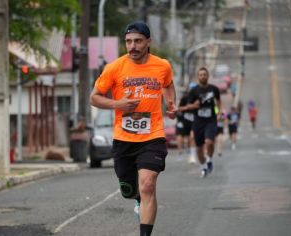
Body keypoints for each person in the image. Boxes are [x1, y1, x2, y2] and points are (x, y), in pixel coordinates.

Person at [89, 21, 176, 236]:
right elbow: (94, 98)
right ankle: (136, 199)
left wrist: (171, 103)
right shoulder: (114, 68)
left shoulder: (162, 65)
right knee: (128, 190)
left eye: (137, 41)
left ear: (148, 42)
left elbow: (168, 84)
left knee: (147, 184)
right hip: (124, 138)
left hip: (152, 136)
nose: (132, 46)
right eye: (128, 42)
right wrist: (118, 104)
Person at [178, 67, 221, 178]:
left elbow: (219, 100)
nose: (203, 76)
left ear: (208, 76)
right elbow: (188, 105)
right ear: (198, 77)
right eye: (200, 75)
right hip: (198, 122)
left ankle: (209, 160)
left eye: (204, 74)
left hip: (211, 120)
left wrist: (219, 112)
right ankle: (204, 166)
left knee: (209, 142)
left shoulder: (214, 89)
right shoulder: (194, 91)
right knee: (199, 148)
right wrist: (194, 105)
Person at [176, 87, 196, 163]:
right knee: (182, 137)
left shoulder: (198, 97)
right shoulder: (185, 98)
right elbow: (179, 108)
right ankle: (181, 153)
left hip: (194, 120)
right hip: (184, 120)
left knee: (192, 137)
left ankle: (192, 155)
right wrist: (188, 107)